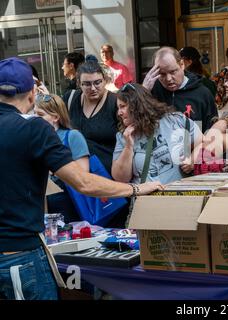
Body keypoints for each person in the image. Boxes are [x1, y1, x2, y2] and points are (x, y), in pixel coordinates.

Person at [0, 57, 163, 300]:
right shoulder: (33, 128)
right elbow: (83, 182)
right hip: (18, 255)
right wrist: (135, 189)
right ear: (32, 93)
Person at [112, 83, 202, 187]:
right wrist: (128, 146)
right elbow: (120, 178)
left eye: (122, 107)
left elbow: (203, 142)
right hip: (146, 200)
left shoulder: (175, 120)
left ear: (136, 105)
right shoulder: (122, 136)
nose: (119, 113)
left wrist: (193, 159)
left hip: (180, 196)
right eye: (118, 108)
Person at [34, 93, 89, 222]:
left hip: (70, 202)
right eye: (34, 113)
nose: (35, 118)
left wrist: (55, 169)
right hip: (41, 203)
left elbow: (83, 173)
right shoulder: (35, 138)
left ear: (56, 117)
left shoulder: (72, 136)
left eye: (40, 115)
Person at [142, 46, 218, 132]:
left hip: (192, 143)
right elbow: (136, 122)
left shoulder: (202, 94)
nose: (168, 79)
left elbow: (212, 130)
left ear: (182, 65)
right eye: (162, 74)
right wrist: (143, 91)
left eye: (172, 71)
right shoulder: (151, 90)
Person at [63, 61, 118, 174]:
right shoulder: (70, 99)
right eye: (87, 84)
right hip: (77, 175)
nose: (93, 88)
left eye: (97, 82)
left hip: (108, 175)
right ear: (79, 83)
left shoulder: (115, 102)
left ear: (104, 80)